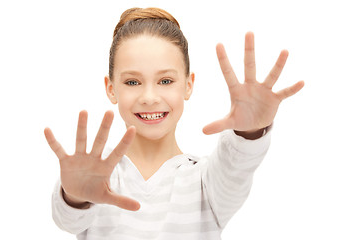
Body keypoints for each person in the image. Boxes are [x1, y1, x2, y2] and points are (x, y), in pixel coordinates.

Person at [44, 7, 304, 240]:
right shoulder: (97, 176)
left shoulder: (207, 182)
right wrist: (75, 197)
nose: (149, 97)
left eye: (165, 81)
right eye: (132, 82)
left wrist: (250, 131)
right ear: (111, 89)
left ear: (188, 85)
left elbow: (237, 167)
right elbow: (67, 220)